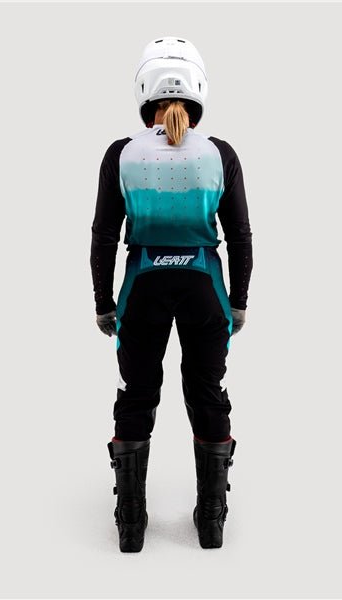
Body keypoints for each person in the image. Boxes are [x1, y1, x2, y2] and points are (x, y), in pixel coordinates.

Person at [90, 36, 253, 552]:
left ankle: (131, 526)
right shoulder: (220, 154)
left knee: (137, 394)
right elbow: (240, 235)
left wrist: (103, 303)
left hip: (142, 285)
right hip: (205, 286)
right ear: (198, 88)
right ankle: (212, 523)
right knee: (207, 393)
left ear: (145, 89)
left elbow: (103, 235)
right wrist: (239, 300)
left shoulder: (121, 154)